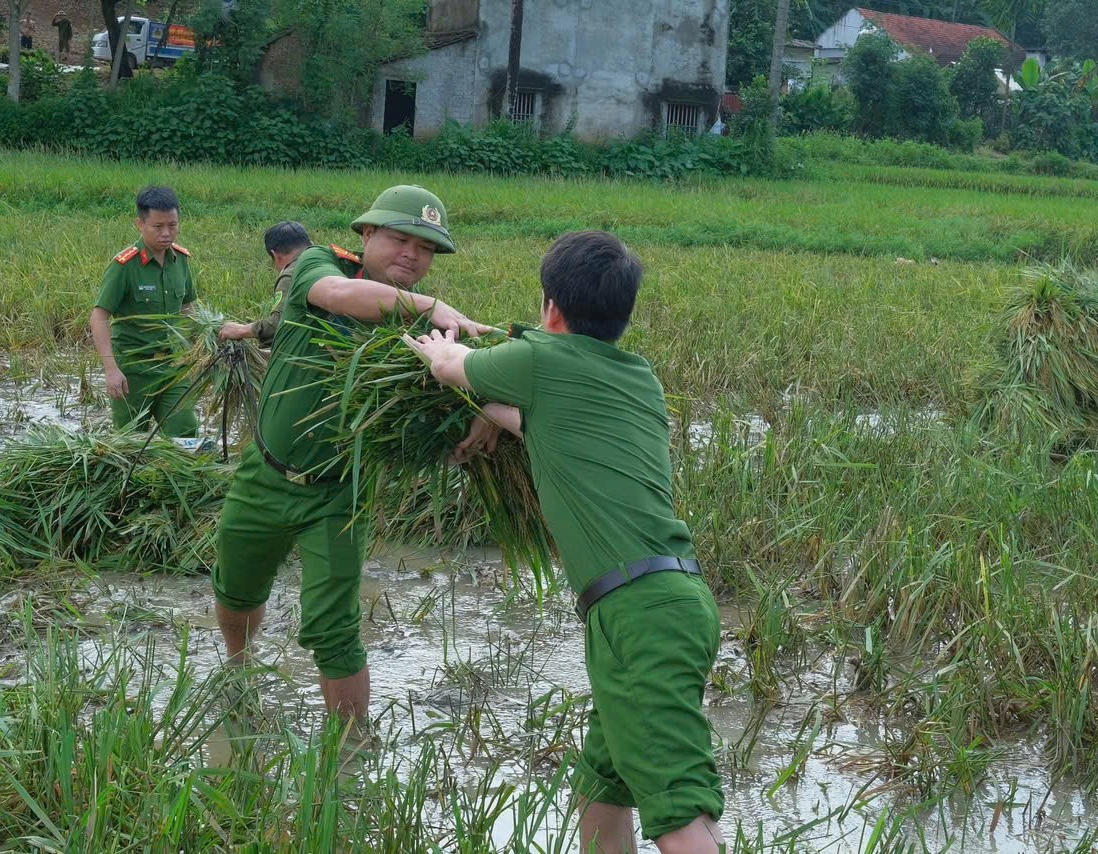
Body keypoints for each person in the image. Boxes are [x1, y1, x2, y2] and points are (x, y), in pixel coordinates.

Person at [407, 231, 725, 854]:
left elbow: (452, 369)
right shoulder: (639, 379)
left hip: (638, 612)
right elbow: (537, 422)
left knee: (677, 806)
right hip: (669, 601)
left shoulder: (539, 360)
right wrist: (492, 417)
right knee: (602, 787)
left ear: (550, 306)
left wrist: (436, 346)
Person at [213, 186, 490, 725]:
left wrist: (479, 414)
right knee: (236, 589)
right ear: (366, 235)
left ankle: (352, 749)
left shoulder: (426, 332)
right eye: (399, 238)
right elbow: (340, 296)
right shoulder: (320, 266)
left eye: (426, 248)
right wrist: (431, 305)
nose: (412, 254)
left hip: (340, 494)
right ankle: (238, 671)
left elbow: (458, 396)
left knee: (335, 630)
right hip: (266, 472)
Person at [90, 186, 200, 438]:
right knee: (131, 441)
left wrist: (201, 348)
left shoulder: (180, 260)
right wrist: (111, 370)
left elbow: (187, 308)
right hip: (133, 371)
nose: (166, 233)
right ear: (140, 224)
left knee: (185, 432)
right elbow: (99, 317)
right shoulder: (124, 266)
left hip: (173, 365)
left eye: (172, 225)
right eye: (157, 226)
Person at [218, 221, 312, 347]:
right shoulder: (332, 257)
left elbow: (279, 325)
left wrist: (242, 330)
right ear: (310, 244)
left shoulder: (291, 275)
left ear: (275, 255)